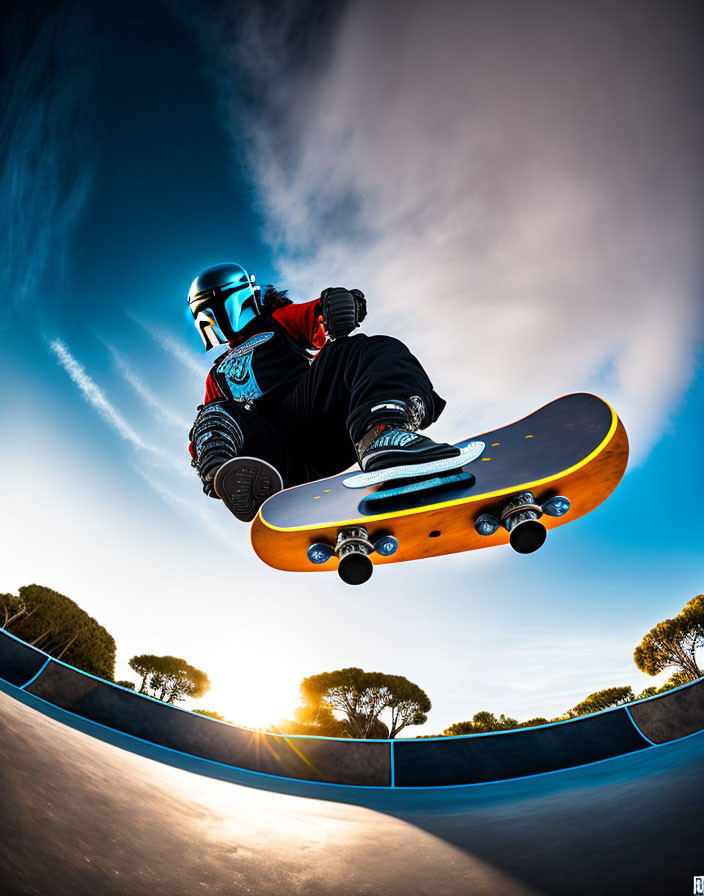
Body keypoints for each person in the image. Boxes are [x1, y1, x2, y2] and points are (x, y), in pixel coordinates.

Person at [188, 262, 465, 521]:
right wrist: (210, 457)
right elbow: (208, 426)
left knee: (366, 349)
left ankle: (382, 434)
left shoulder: (276, 322)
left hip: (312, 415)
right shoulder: (217, 374)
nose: (209, 327)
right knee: (214, 412)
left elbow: (315, 315)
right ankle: (239, 480)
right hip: (273, 453)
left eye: (209, 317)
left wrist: (340, 305)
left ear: (232, 301)